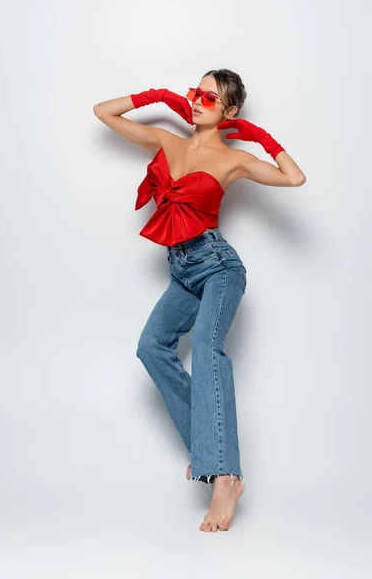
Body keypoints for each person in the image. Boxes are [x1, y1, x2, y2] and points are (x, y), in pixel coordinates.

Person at [93, 68, 306, 532]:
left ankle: (225, 476)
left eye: (208, 99)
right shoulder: (171, 143)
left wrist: (262, 137)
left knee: (208, 352)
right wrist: (153, 94)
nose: (195, 102)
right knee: (152, 347)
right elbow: (102, 112)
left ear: (229, 112)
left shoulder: (234, 160)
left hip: (219, 267)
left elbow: (295, 178)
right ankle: (211, 450)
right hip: (182, 269)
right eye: (194, 93)